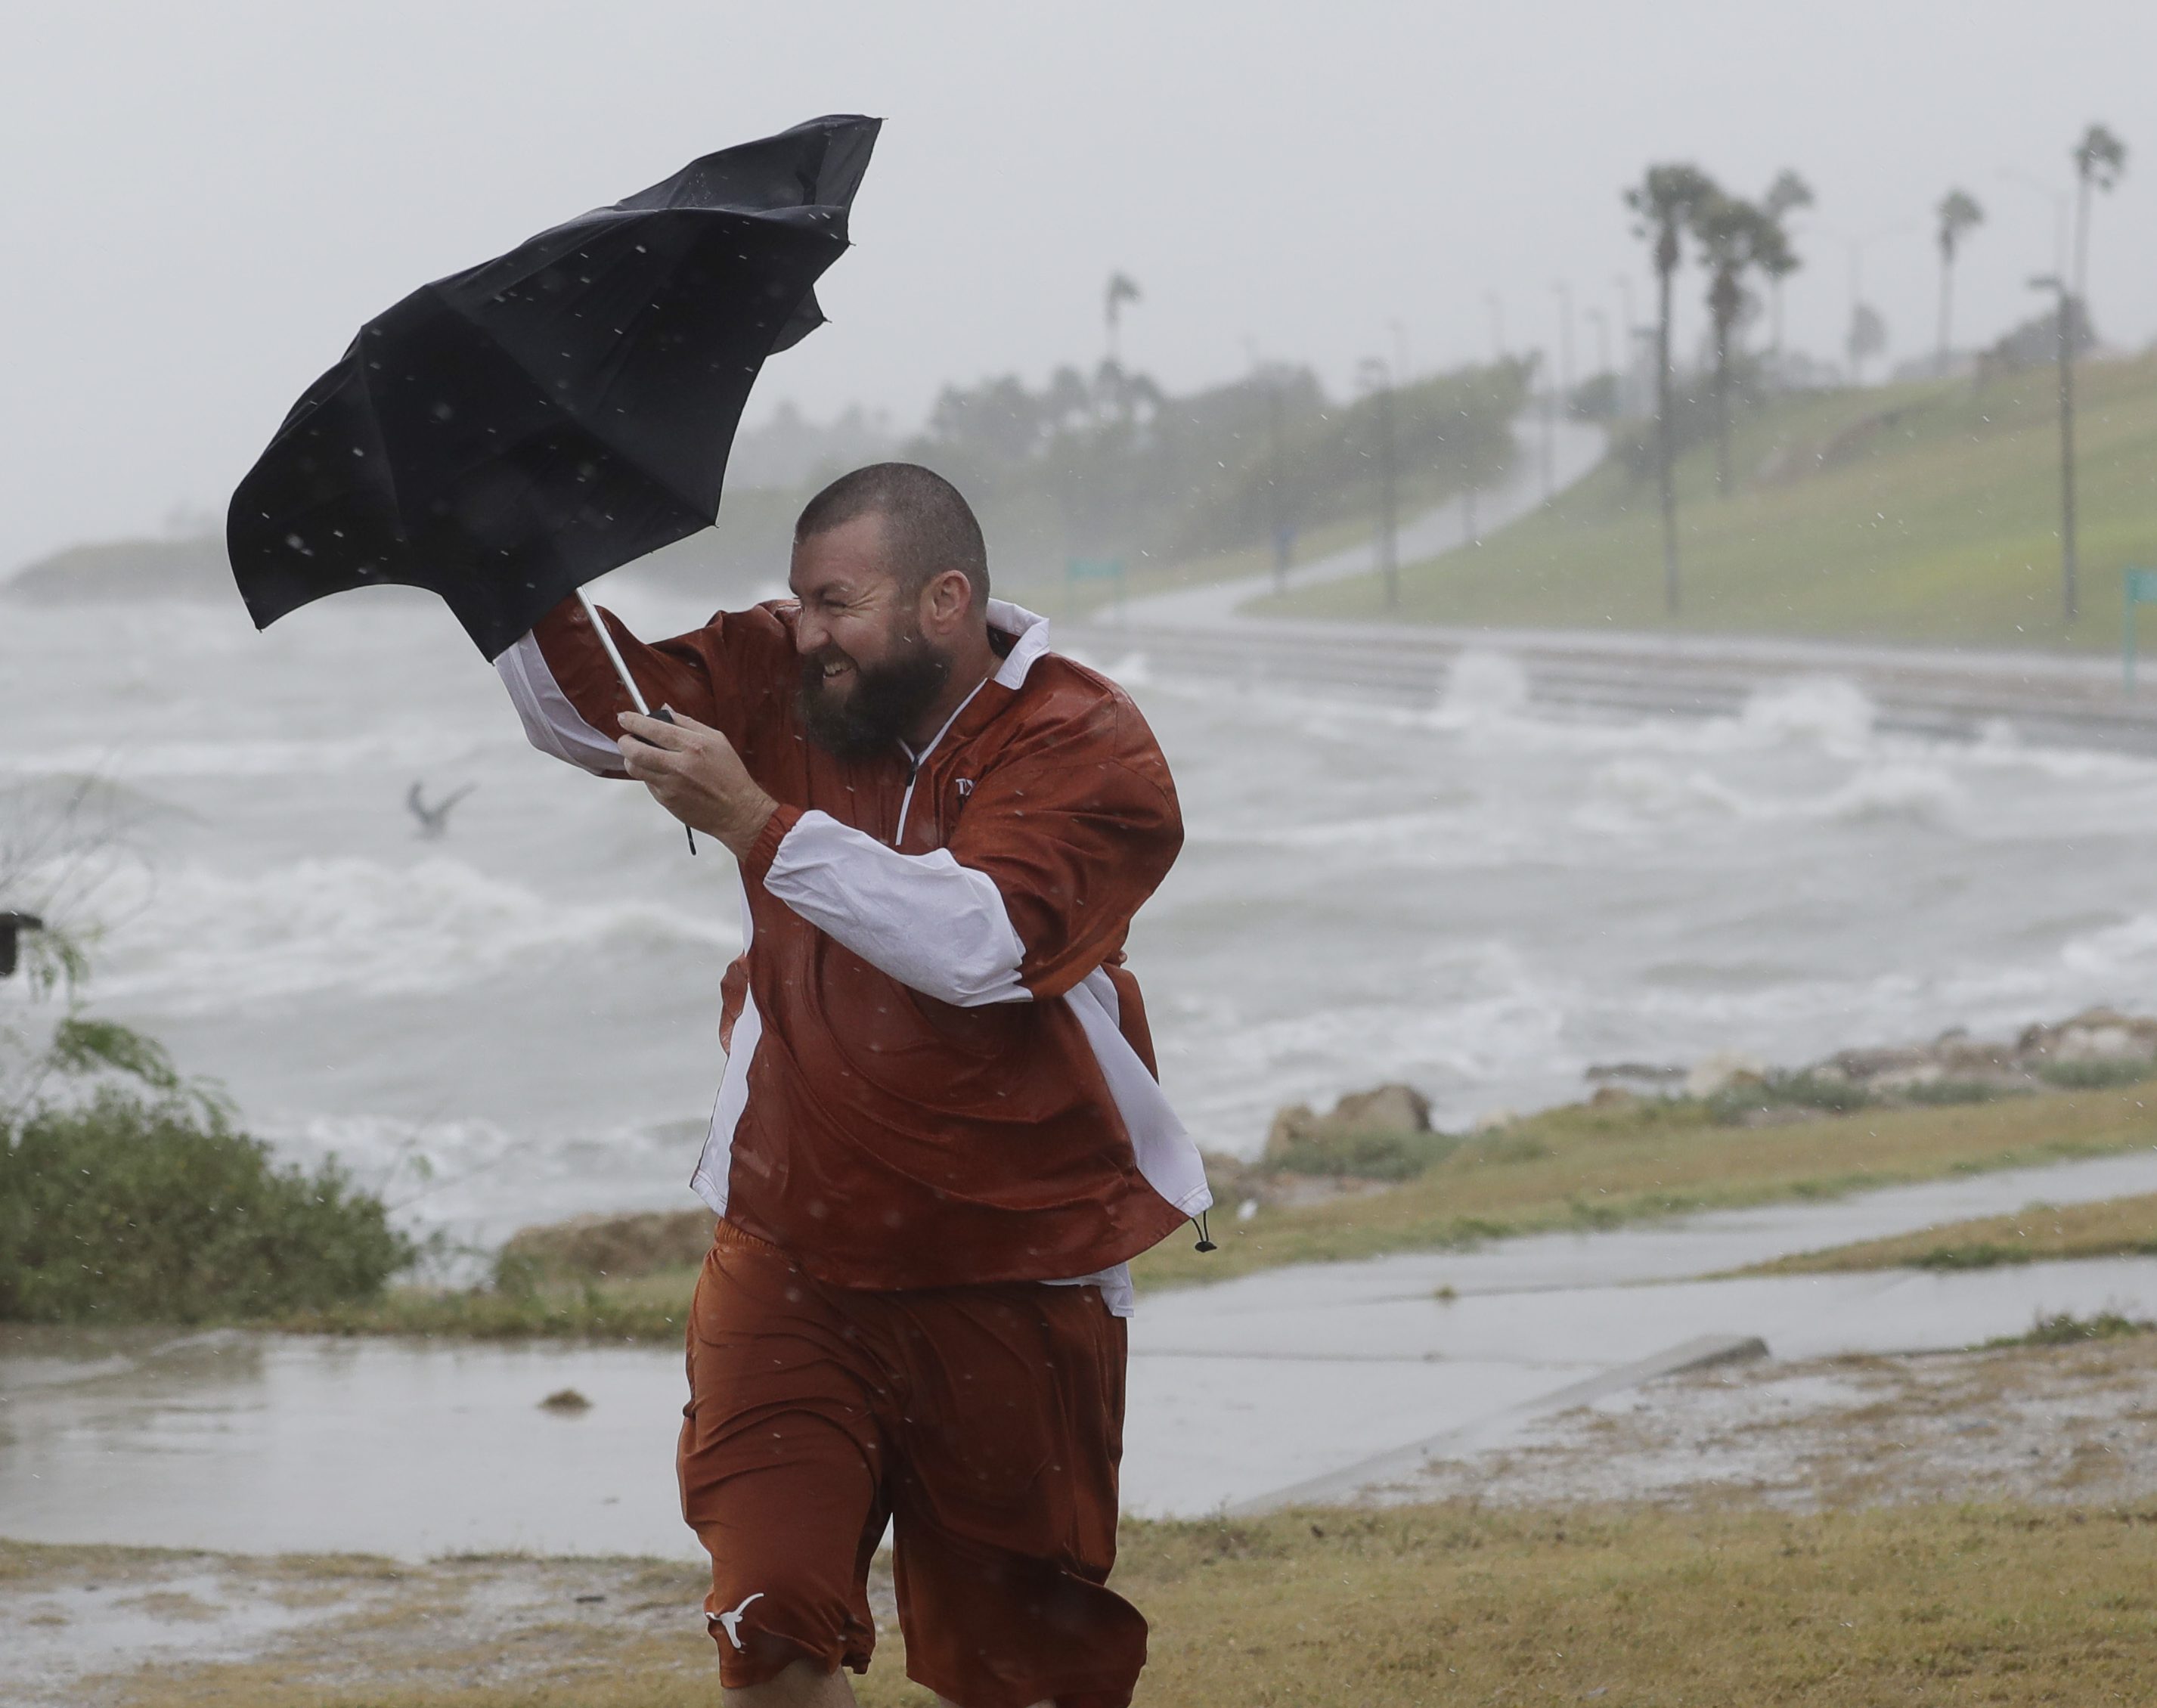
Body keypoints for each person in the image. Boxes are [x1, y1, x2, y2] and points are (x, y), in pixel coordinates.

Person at [496, 463, 1210, 1708]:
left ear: (945, 600)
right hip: (792, 1251)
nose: (805, 631)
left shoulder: (1084, 739)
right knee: (770, 1635)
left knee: (1021, 1675)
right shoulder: (786, 672)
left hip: (1016, 1268)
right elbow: (591, 715)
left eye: (836, 603)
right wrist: (492, 543)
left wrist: (759, 827)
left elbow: (984, 945)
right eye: (798, 601)